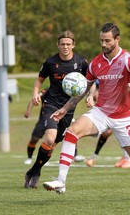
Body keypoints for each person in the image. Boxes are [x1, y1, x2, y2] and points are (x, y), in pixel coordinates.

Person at [43, 23, 130, 200]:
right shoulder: (96, 63)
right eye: (101, 40)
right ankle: (61, 180)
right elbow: (83, 89)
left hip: (125, 117)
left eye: (107, 40)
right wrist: (64, 108)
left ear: (117, 39)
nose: (103, 44)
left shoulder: (127, 59)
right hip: (101, 112)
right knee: (71, 132)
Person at [24, 30, 89, 189]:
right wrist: (35, 94)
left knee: (53, 145)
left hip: (69, 109)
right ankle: (36, 173)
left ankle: (33, 170)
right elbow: (39, 80)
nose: (65, 47)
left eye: (68, 44)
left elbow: (90, 81)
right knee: (49, 139)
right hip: (51, 104)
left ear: (73, 45)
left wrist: (91, 96)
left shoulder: (81, 63)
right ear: (58, 45)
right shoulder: (50, 62)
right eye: (62, 44)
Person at [24, 88, 85, 165]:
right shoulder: (46, 91)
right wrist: (28, 111)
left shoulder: (68, 91)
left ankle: (75, 155)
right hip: (44, 119)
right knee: (34, 139)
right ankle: (29, 158)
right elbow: (33, 99)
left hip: (62, 118)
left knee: (70, 134)